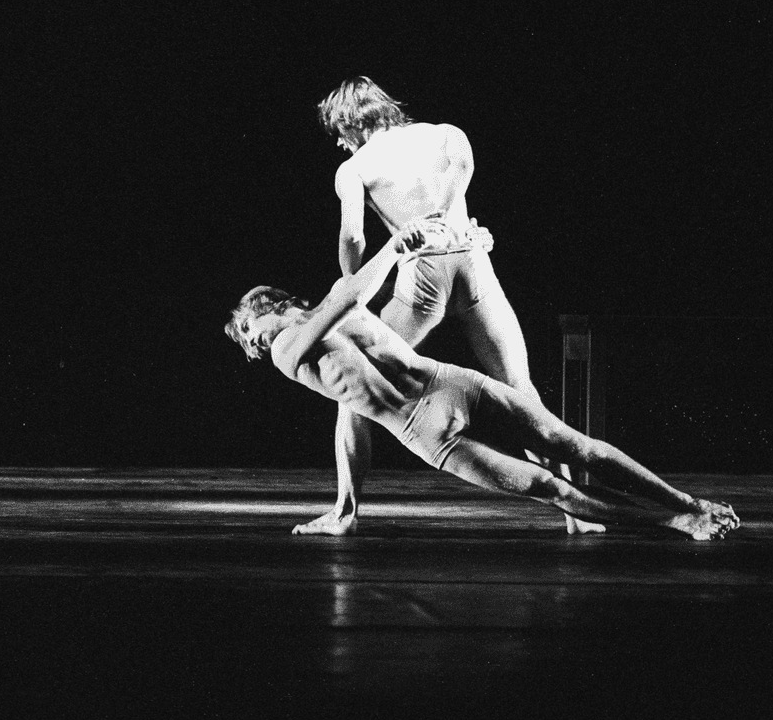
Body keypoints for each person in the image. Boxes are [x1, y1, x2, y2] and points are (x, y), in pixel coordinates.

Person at [224, 223, 741, 541]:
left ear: (267, 306)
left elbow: (352, 292)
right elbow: (347, 295)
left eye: (248, 330)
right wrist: (396, 247)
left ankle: (687, 502)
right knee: (546, 486)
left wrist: (462, 241)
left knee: (571, 444)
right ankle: (673, 523)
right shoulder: (288, 351)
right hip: (424, 430)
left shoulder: (321, 312)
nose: (254, 344)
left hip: (450, 383)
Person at [302, 76, 598, 535]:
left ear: (351, 122)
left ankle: (345, 513)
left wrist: (353, 287)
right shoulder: (448, 135)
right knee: (520, 390)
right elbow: (457, 194)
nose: (340, 144)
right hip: (475, 268)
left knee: (353, 391)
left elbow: (354, 237)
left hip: (423, 275)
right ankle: (577, 515)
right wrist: (462, 229)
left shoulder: (355, 168)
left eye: (338, 133)